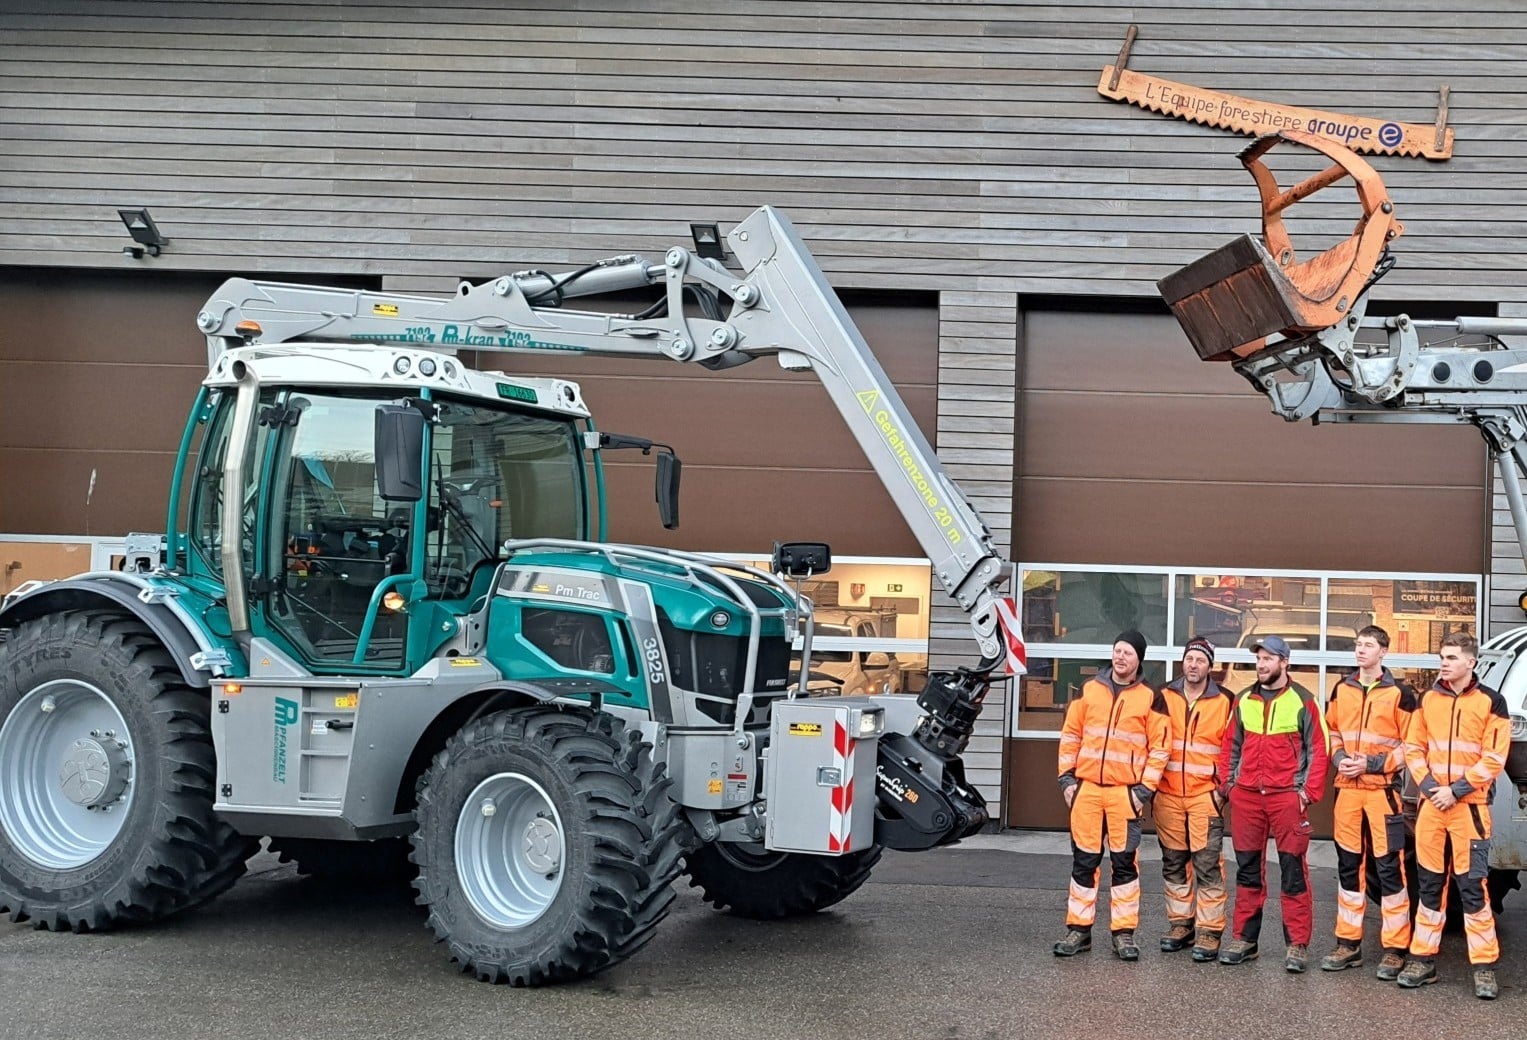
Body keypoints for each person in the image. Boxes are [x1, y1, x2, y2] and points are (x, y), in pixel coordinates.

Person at [1397, 631, 1509, 1000]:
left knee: (1473, 889)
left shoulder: (1492, 702)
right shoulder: (1428, 699)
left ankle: (1484, 966)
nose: (1443, 663)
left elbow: (1494, 758)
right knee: (1428, 886)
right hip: (1433, 805)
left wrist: (1456, 790)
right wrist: (1431, 788)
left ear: (1470, 662)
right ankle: (1422, 960)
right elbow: (1413, 746)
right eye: (1442, 656)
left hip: (1469, 810)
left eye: (1451, 657)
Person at [1055, 630, 1170, 961]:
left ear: (1139, 661)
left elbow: (1160, 749)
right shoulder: (1089, 690)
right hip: (1087, 790)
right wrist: (1066, 780)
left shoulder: (1151, 697)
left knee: (1124, 865)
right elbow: (1071, 735)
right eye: (1118, 650)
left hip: (1125, 794)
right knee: (1084, 862)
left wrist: (1143, 791)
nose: (1121, 657)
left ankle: (1123, 934)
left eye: (1128, 653)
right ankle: (1078, 930)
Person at [1216, 635, 1329, 973]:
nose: (1262, 664)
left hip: (1286, 799)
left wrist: (1306, 794)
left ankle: (1297, 945)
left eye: (1269, 658)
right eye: (1259, 659)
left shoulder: (1304, 701)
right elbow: (1229, 746)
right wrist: (1229, 786)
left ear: (1285, 663)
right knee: (1248, 871)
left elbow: (1319, 751)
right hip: (1247, 798)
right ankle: (1245, 940)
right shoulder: (1243, 700)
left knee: (1293, 873)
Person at [1320, 625, 1418, 978]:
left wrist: (1374, 764)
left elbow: (1412, 745)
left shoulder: (1401, 695)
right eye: (1358, 645)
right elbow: (1331, 730)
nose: (1361, 651)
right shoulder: (1341, 689)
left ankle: (1395, 949)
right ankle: (1348, 944)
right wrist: (1338, 757)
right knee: (1348, 867)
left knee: (1390, 869)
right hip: (1347, 790)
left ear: (1383, 652)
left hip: (1382, 794)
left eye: (1368, 646)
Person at [1156, 637, 1235, 962]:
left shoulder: (1227, 700)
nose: (1193, 665)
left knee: (1207, 865)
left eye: (1200, 660)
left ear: (1210, 666)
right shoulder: (1163, 696)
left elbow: (1233, 749)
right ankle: (1180, 925)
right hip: (1168, 795)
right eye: (1189, 658)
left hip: (1206, 796)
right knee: (1173, 863)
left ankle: (1209, 930)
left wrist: (1222, 790)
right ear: (1182, 661)